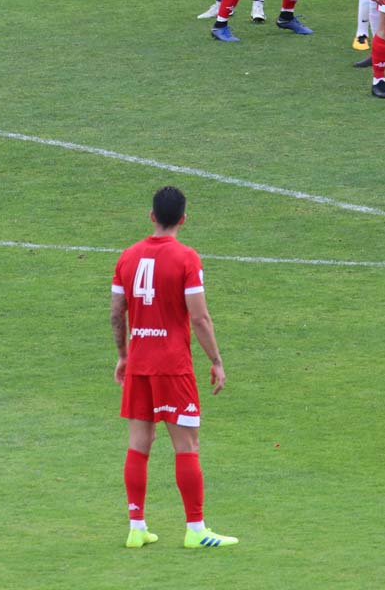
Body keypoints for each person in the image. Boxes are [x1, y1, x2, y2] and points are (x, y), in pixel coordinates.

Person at [111, 186, 237, 550]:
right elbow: (199, 317)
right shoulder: (186, 258)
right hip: (173, 367)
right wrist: (215, 360)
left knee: (138, 444)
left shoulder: (127, 257)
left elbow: (117, 313)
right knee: (187, 446)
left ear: (151, 216)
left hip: (139, 364)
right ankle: (196, 530)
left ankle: (137, 526)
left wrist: (123, 355)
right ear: (183, 218)